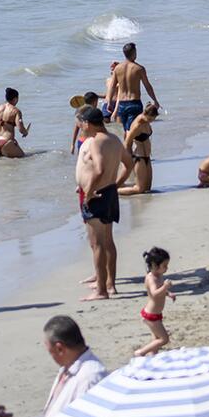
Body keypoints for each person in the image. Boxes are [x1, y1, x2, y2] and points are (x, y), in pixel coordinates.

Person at [23, 314, 105, 417]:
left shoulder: (89, 377)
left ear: (60, 348)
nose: (51, 356)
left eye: (50, 351)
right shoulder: (68, 367)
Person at [74, 108, 124, 300]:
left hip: (96, 195)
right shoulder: (114, 139)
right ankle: (110, 285)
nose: (80, 127)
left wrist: (89, 191)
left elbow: (99, 168)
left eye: (81, 124)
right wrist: (115, 184)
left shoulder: (95, 141)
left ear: (87, 123)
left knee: (97, 244)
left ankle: (101, 290)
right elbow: (127, 163)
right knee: (107, 241)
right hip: (109, 192)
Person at [105, 43, 159, 132]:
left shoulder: (117, 68)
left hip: (122, 104)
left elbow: (112, 87)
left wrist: (109, 102)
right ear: (134, 53)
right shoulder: (139, 68)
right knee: (134, 132)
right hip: (134, 103)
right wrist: (155, 100)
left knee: (126, 131)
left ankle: (126, 145)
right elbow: (147, 86)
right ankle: (129, 146)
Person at [133, 246, 173, 357]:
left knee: (155, 338)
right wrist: (165, 286)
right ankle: (141, 352)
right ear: (155, 265)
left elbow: (160, 291)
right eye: (164, 265)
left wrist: (168, 293)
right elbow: (155, 293)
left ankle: (153, 356)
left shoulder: (159, 275)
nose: (167, 268)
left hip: (156, 314)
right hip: (151, 315)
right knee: (164, 339)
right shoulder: (151, 278)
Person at [118, 104, 157, 194]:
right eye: (150, 119)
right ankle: (114, 191)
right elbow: (127, 142)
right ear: (145, 114)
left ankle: (119, 185)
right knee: (140, 189)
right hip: (138, 156)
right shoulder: (137, 125)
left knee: (147, 188)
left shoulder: (146, 121)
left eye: (153, 119)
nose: (151, 121)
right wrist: (127, 160)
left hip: (147, 156)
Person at [0, 89, 28, 158]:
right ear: (15, 99)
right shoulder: (16, 111)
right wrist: (25, 132)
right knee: (24, 158)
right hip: (6, 142)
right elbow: (21, 129)